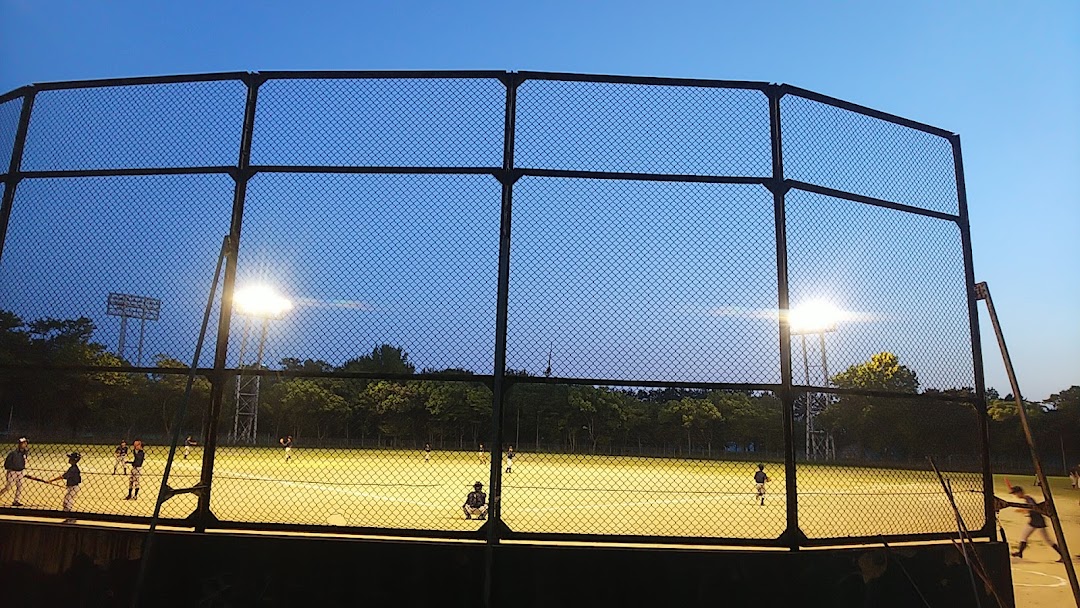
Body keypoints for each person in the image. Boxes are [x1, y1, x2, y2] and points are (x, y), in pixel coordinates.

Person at [1007, 485, 1063, 562]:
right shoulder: (1027, 499)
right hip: (1033, 521)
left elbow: (1034, 508)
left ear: (1020, 492)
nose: (1016, 496)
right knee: (1024, 536)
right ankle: (1020, 553)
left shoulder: (1028, 499)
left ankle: (1063, 555)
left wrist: (1024, 510)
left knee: (1048, 540)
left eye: (1016, 493)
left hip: (1038, 521)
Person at [48, 452, 82, 523]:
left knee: (67, 502)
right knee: (66, 502)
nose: (69, 459)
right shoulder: (73, 468)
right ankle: (69, 517)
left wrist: (51, 480)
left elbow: (64, 476)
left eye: (70, 458)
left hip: (73, 487)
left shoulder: (73, 469)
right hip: (72, 487)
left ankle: (71, 518)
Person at [1, 437, 30, 507]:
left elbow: (24, 461)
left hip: (20, 472)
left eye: (26, 443)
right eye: (24, 443)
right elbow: (6, 464)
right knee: (8, 487)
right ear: (20, 444)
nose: (26, 444)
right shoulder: (13, 453)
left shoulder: (25, 453)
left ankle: (16, 501)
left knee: (19, 487)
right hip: (12, 472)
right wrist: (11, 468)